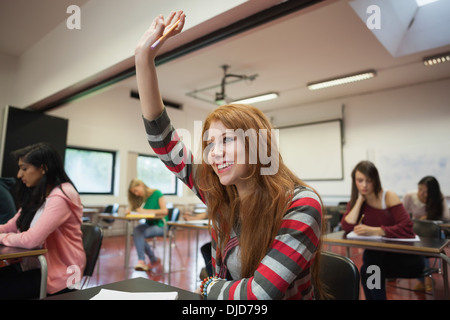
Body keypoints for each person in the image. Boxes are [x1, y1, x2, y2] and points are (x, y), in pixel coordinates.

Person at [134, 10, 325, 300]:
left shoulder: (300, 204)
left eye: (227, 140)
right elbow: (163, 140)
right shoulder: (218, 193)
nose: (215, 153)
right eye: (210, 144)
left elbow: (258, 294)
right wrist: (143, 57)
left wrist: (210, 286)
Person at [0, 142, 85, 299]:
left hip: (63, 275)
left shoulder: (62, 195)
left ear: (43, 168)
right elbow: (9, 226)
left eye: (24, 169)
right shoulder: (39, 194)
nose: (19, 175)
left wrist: (2, 238)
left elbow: (31, 240)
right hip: (38, 268)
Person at [340, 160, 425, 300]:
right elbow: (347, 227)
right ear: (354, 181)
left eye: (369, 180)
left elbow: (407, 227)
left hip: (406, 258)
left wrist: (377, 231)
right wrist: (360, 200)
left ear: (376, 180)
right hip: (379, 260)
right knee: (370, 265)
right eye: (360, 181)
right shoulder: (358, 200)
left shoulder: (388, 196)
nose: (364, 185)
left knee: (369, 264)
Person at [402, 175, 449, 292]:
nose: (421, 193)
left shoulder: (438, 197)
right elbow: (401, 216)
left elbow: (446, 217)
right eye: (420, 189)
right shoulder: (409, 196)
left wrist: (428, 218)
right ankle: (425, 278)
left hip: (433, 234)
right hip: (416, 234)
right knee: (420, 244)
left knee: (423, 244)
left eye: (426, 191)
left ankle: (423, 279)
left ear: (433, 193)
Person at [127, 178, 168, 271]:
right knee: (136, 231)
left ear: (141, 185)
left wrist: (144, 211)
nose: (136, 194)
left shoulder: (157, 193)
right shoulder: (143, 198)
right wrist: (131, 211)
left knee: (138, 235)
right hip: (149, 224)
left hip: (161, 225)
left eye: (136, 191)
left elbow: (165, 211)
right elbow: (141, 212)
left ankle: (142, 261)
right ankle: (152, 259)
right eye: (134, 193)